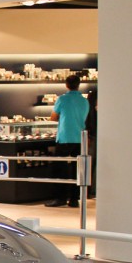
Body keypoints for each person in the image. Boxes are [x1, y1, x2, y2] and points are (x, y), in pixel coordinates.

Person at [45, 75, 89, 208]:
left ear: (66, 84)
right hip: (80, 138)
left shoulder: (62, 99)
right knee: (78, 169)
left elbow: (53, 117)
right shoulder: (84, 101)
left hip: (64, 137)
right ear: (79, 84)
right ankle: (74, 199)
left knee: (59, 168)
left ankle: (60, 198)